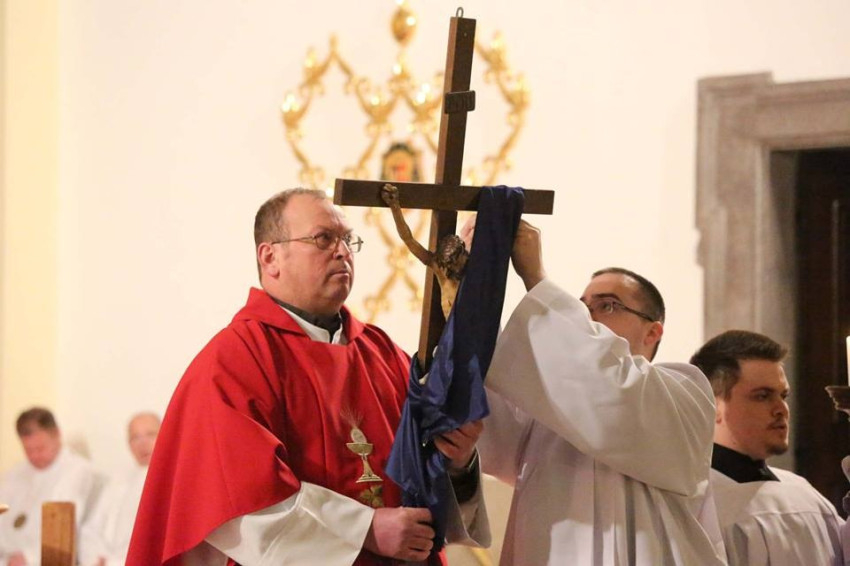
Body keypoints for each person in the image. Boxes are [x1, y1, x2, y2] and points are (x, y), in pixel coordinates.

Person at [127, 188, 488, 565]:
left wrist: (458, 461)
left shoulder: (382, 352)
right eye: (323, 239)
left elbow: (423, 481)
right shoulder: (233, 361)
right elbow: (236, 504)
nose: (343, 251)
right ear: (270, 258)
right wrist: (365, 529)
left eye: (347, 239)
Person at [474, 219, 727, 565]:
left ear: (652, 332)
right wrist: (474, 292)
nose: (586, 315)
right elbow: (490, 437)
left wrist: (536, 279)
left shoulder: (685, 392)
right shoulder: (550, 409)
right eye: (582, 306)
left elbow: (612, 398)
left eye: (607, 305)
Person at [690, 329, 845, 565]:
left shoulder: (804, 493)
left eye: (783, 396)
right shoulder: (695, 504)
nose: (781, 409)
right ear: (713, 406)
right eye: (762, 396)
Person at [0, 407, 103, 566]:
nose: (34, 456)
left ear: (57, 434)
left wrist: (30, 557)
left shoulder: (79, 473)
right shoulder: (15, 474)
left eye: (40, 448)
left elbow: (69, 532)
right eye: (28, 450)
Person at [80, 412, 161, 566]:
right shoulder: (117, 480)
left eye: (150, 434)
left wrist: (113, 563)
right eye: (135, 438)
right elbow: (91, 530)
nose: (142, 444)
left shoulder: (171, 481)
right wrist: (96, 559)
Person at [381, 183, 469, 319]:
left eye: (459, 261)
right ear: (445, 265)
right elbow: (408, 239)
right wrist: (395, 207)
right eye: (452, 265)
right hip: (451, 330)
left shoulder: (474, 269)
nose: (457, 267)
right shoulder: (441, 270)